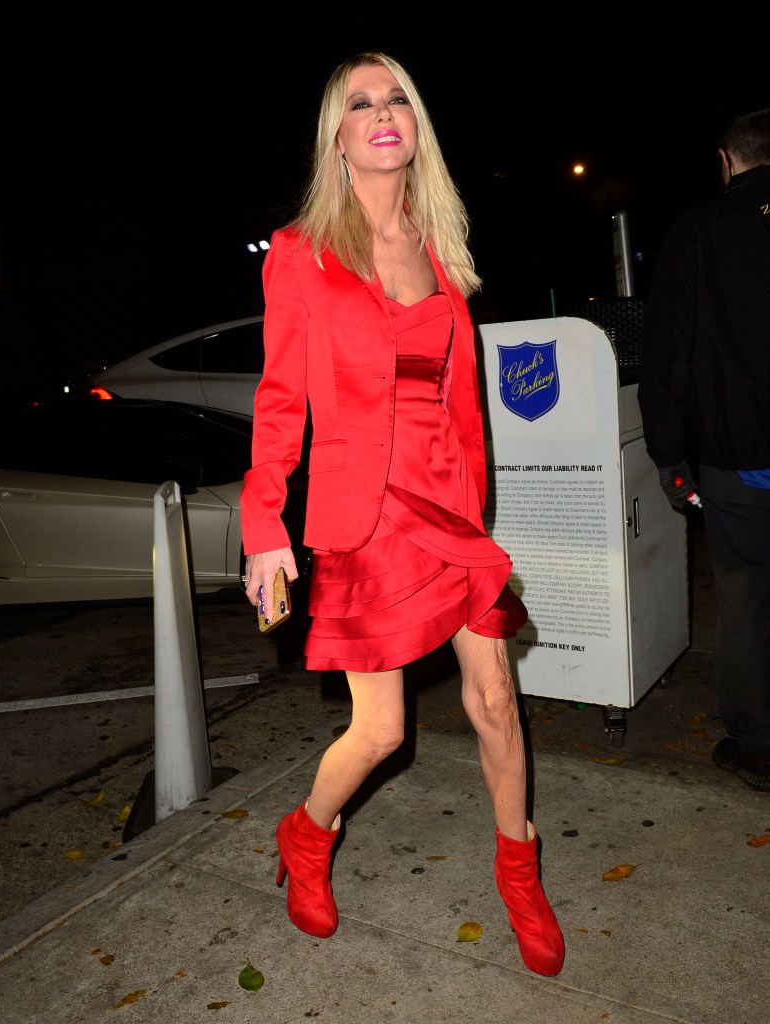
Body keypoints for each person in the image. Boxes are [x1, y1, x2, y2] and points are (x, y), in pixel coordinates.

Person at [239, 52, 564, 975]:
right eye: (360, 104)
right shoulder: (302, 253)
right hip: (362, 514)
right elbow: (280, 399)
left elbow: (466, 402)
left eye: (397, 101)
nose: (383, 114)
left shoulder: (440, 249)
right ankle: (307, 834)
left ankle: (518, 869)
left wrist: (477, 510)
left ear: (414, 126)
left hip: (447, 506)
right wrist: (265, 523)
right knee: (382, 731)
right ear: (337, 139)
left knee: (497, 699)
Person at [638, 102, 770, 796]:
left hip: (738, 468)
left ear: (725, 160)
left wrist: (669, 454)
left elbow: (669, 357)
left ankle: (761, 753)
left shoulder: (697, 232)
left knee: (746, 609)